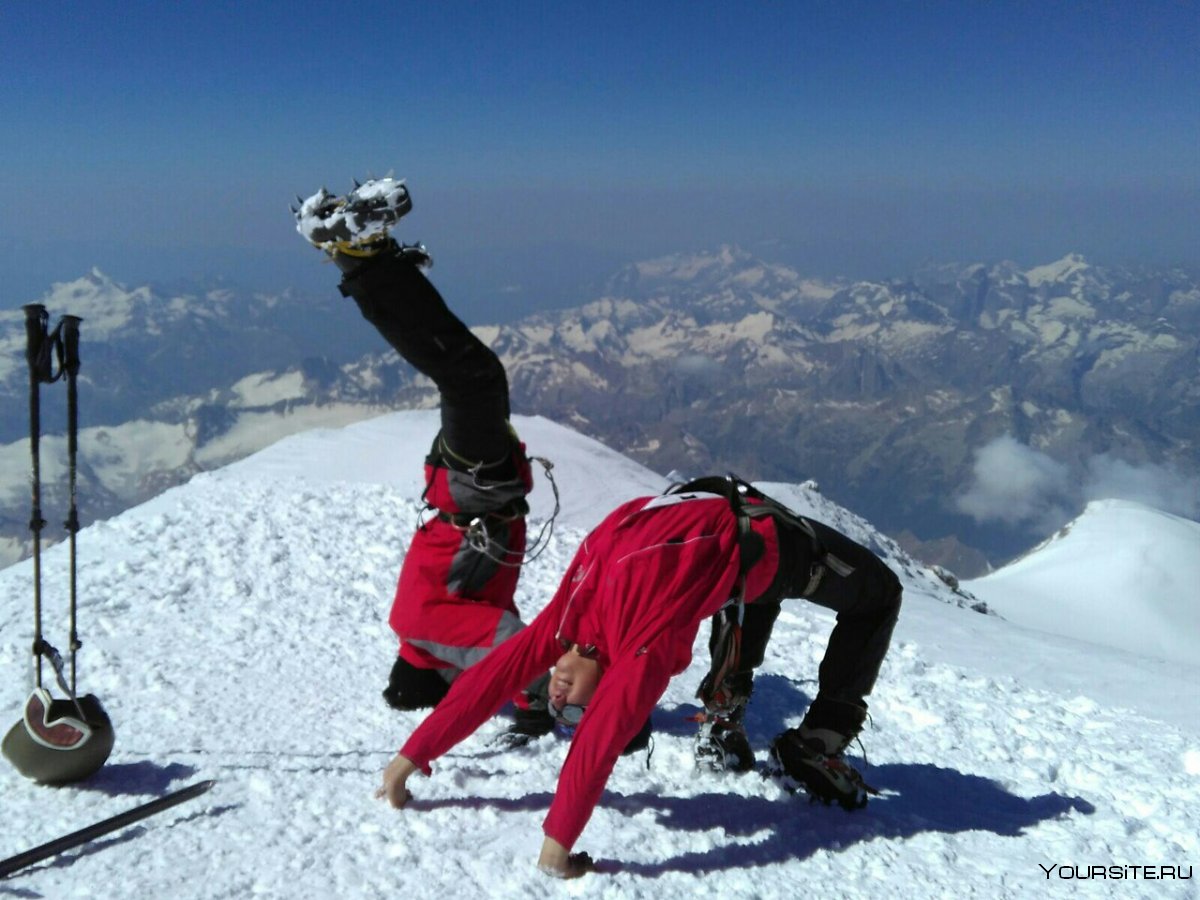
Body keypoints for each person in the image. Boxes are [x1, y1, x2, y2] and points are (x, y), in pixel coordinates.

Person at [376, 476, 903, 878]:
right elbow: (602, 738)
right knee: (878, 594)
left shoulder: (567, 622)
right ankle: (817, 740)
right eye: (573, 709)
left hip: (726, 531)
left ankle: (726, 706)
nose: (558, 699)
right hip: (766, 540)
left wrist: (410, 756)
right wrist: (557, 847)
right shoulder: (641, 647)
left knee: (729, 589)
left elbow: (494, 676)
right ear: (605, 690)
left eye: (556, 705)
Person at [294, 178, 550, 731]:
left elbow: (513, 647)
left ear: (439, 675)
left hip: (476, 493)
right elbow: (501, 627)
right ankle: (373, 264)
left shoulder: (426, 632)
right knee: (470, 373)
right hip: (477, 496)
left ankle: (364, 262)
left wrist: (545, 702)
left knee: (469, 377)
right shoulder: (421, 632)